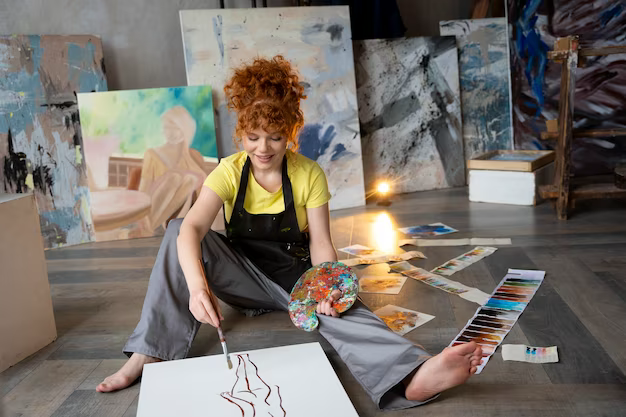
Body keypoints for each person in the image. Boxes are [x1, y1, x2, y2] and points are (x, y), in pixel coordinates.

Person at [96, 55, 482, 410]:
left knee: (346, 309)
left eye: (275, 137)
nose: (263, 148)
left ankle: (411, 377)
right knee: (178, 228)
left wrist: (327, 288)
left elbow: (320, 242)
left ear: (291, 133)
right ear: (241, 135)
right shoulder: (228, 171)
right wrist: (198, 289)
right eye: (253, 137)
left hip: (295, 279)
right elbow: (192, 230)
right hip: (241, 276)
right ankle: (149, 352)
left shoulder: (308, 173)